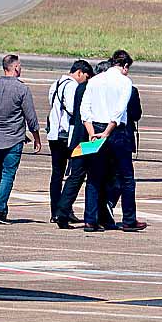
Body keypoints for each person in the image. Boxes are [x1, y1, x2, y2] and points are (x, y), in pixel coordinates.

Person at [81, 50, 146, 232]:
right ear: (125, 66)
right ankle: (129, 219)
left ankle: (90, 219)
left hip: (95, 128)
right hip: (116, 132)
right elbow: (118, 111)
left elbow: (84, 110)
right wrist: (108, 132)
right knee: (126, 178)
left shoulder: (94, 81)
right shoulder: (125, 82)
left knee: (94, 177)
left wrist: (92, 133)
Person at [0, 54, 40, 224]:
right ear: (15, 68)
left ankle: (1, 208)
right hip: (13, 137)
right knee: (8, 174)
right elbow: (31, 117)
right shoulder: (22, 89)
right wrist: (36, 137)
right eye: (19, 66)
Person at [46, 60, 93, 223]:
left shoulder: (56, 83)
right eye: (86, 77)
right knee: (74, 173)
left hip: (54, 134)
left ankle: (55, 210)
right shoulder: (73, 86)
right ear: (79, 73)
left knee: (57, 174)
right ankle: (64, 209)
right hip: (68, 135)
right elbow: (75, 109)